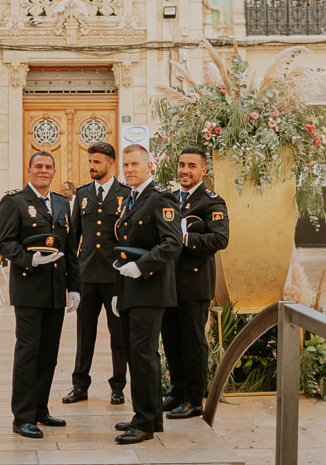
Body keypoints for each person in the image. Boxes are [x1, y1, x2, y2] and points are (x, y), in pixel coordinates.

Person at [0, 151, 80, 439]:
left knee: (49, 355)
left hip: (56, 290)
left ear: (54, 172)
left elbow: (70, 249)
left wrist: (75, 286)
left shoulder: (61, 202)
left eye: (48, 167)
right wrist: (30, 260)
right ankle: (22, 417)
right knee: (28, 353)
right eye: (38, 166)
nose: (43, 170)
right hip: (29, 290)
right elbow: (5, 244)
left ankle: (40, 409)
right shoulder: (14, 202)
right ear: (29, 170)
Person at [109, 144, 182, 444]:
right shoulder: (131, 197)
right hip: (130, 288)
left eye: (135, 164)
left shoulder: (160, 197)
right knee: (140, 355)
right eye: (125, 165)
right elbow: (123, 250)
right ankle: (150, 416)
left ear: (150, 165)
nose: (128, 169)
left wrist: (142, 267)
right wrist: (118, 291)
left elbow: (173, 242)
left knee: (141, 355)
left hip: (150, 290)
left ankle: (144, 424)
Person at [160, 147, 229, 420]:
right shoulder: (170, 198)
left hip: (194, 282)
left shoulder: (211, 201)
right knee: (171, 341)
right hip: (168, 283)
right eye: (181, 165)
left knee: (192, 342)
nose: (184, 170)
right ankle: (177, 391)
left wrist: (185, 239)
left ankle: (193, 398)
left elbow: (220, 240)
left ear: (203, 170)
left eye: (191, 166)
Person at [62, 141, 132, 405]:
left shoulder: (125, 194)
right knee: (84, 334)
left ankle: (118, 386)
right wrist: (73, 281)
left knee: (119, 335)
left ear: (110, 163)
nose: (92, 166)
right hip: (87, 274)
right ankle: (79, 386)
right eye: (90, 162)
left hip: (115, 275)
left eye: (97, 162)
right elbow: (73, 239)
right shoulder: (82, 195)